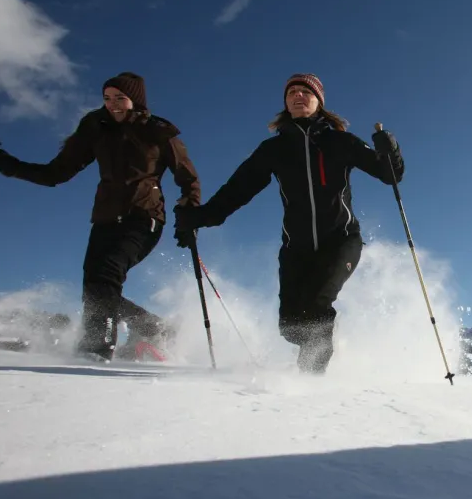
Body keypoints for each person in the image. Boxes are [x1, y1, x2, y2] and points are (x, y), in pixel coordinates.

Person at [173, 73, 405, 374]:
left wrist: (390, 149)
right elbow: (236, 191)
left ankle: (310, 380)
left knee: (318, 305)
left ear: (319, 101)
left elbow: (390, 175)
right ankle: (324, 344)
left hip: (341, 241)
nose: (298, 96)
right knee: (292, 326)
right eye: (292, 92)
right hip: (296, 249)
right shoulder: (274, 149)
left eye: (305, 92)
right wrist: (198, 218)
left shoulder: (340, 142)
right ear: (285, 102)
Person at [0, 72, 201, 362]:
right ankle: (152, 327)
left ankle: (96, 349)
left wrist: (189, 213)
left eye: (120, 98)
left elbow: (188, 178)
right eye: (107, 98)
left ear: (136, 101)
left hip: (143, 218)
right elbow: (55, 173)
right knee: (95, 287)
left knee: (104, 277)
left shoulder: (157, 132)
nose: (113, 105)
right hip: (105, 220)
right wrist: (6, 163)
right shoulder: (96, 127)